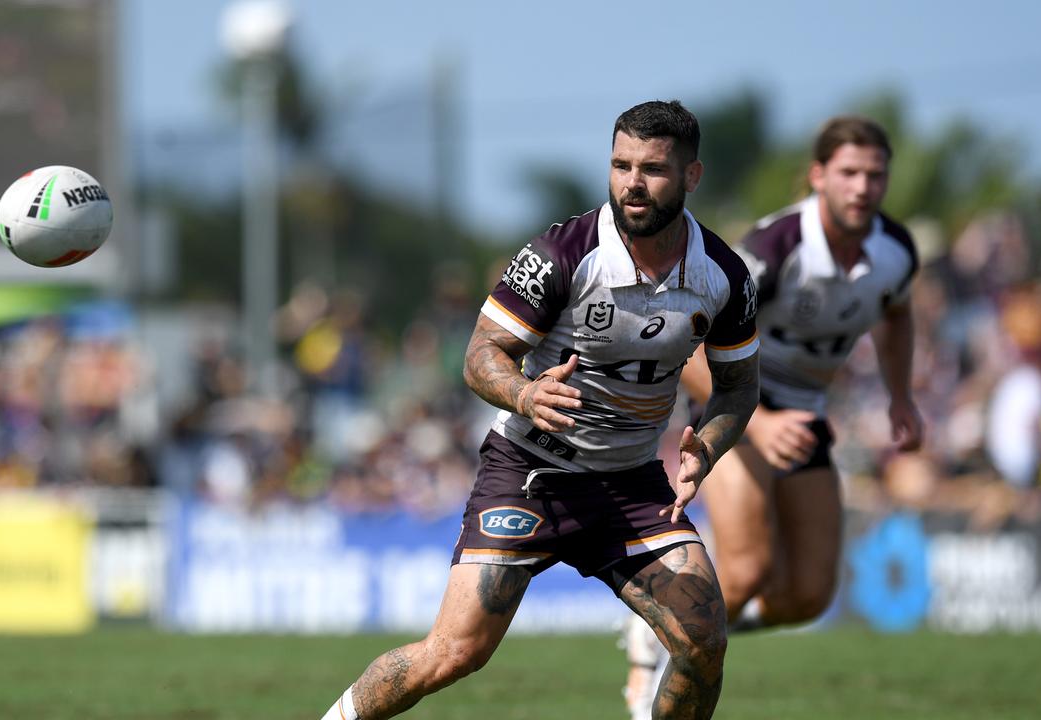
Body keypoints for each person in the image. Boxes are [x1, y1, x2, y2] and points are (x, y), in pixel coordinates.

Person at [319, 100, 760, 720]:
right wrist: (526, 393)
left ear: (692, 177)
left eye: (653, 169)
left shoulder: (723, 276)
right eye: (620, 165)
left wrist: (708, 446)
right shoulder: (563, 253)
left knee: (703, 641)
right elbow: (481, 354)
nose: (632, 183)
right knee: (452, 653)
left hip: (632, 486)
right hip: (530, 474)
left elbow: (740, 388)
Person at [622, 115, 924, 719]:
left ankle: (670, 628)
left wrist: (899, 395)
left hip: (804, 415)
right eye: (848, 173)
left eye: (875, 175)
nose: (862, 187)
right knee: (748, 568)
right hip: (733, 405)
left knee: (807, 596)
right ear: (817, 177)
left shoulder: (896, 251)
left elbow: (894, 313)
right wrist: (755, 420)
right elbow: (687, 341)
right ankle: (659, 664)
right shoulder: (774, 249)